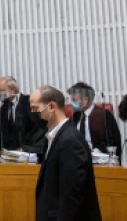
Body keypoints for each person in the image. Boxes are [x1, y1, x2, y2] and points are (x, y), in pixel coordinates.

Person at [30, 86, 102, 221]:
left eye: (35, 108)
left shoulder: (70, 141)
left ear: (51, 106)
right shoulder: (53, 137)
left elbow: (71, 198)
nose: (32, 114)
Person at [68, 82, 121, 162]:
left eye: (75, 100)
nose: (73, 104)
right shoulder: (75, 117)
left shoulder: (104, 115)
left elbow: (114, 142)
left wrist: (95, 151)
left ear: (85, 100)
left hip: (99, 160)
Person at [0, 76, 46, 158]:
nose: (0, 94)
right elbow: (0, 135)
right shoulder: (4, 108)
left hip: (29, 154)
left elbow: (40, 128)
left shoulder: (29, 102)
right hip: (10, 156)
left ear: (13, 89)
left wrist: (27, 148)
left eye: (2, 90)